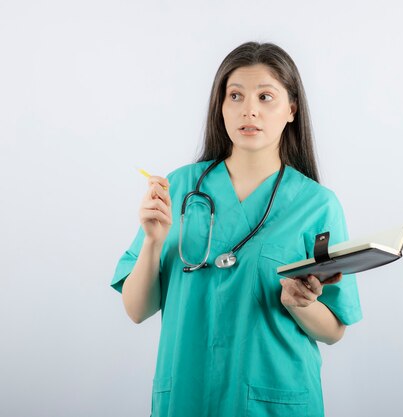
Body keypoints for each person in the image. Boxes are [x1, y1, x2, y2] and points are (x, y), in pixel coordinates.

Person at [111, 41, 362, 416]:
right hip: (187, 395)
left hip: (274, 400)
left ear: (291, 109)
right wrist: (152, 240)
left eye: (265, 97)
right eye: (235, 96)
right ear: (221, 107)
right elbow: (136, 309)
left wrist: (302, 304)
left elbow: (333, 330)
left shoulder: (317, 205)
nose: (249, 110)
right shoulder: (179, 188)